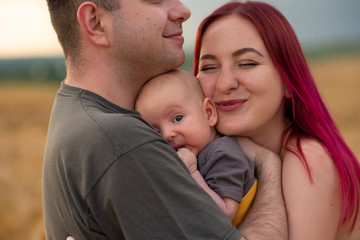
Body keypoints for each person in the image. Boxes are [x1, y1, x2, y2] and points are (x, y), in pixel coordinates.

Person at [42, 0, 287, 239]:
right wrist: (268, 166)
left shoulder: (74, 112)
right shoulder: (124, 141)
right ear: (95, 22)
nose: (184, 10)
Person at [193, 1, 360, 239]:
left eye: (247, 63)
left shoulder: (308, 160)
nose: (224, 83)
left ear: (288, 82)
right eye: (209, 67)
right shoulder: (211, 158)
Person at [135, 69, 257, 226]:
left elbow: (224, 215)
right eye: (156, 132)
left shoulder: (224, 154)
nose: (167, 135)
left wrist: (192, 172)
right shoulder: (198, 153)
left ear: (208, 113)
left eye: (177, 118)